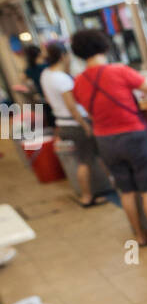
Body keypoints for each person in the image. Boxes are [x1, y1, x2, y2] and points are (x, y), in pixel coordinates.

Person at [69, 28, 147, 249]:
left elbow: (89, 110)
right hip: (133, 135)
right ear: (104, 45)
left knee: (126, 190)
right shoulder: (118, 70)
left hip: (105, 141)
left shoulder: (78, 82)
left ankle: (140, 236)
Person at [40, 42, 106, 208]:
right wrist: (85, 125)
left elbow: (48, 100)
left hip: (61, 122)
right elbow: (72, 106)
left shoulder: (46, 74)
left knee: (81, 160)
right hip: (75, 124)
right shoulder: (62, 79)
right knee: (85, 162)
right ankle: (87, 197)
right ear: (63, 56)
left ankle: (90, 193)